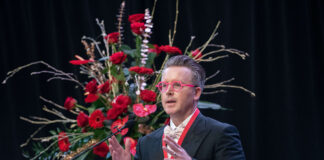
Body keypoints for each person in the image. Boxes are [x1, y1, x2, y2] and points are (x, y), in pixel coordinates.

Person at [109, 55, 246, 160]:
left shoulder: (221, 134)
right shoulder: (146, 143)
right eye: (164, 85)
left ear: (196, 92)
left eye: (177, 85)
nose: (168, 91)